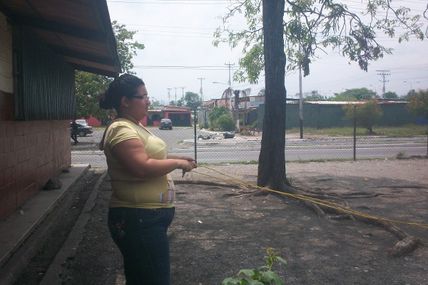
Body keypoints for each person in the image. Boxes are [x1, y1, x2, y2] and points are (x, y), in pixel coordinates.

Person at [99, 74, 197, 285]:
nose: (148, 101)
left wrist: (178, 158)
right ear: (125, 101)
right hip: (138, 218)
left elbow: (151, 158)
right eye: (142, 97)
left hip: (146, 219)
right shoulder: (121, 128)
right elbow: (141, 167)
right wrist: (178, 164)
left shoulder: (133, 125)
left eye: (147, 96)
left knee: (144, 277)